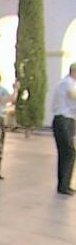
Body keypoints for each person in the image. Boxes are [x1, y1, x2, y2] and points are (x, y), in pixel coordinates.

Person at [51, 62, 76, 196]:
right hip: (64, 120)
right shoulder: (68, 83)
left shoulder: (64, 83)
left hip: (64, 120)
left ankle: (64, 184)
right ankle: (63, 185)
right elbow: (73, 97)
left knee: (66, 153)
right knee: (69, 152)